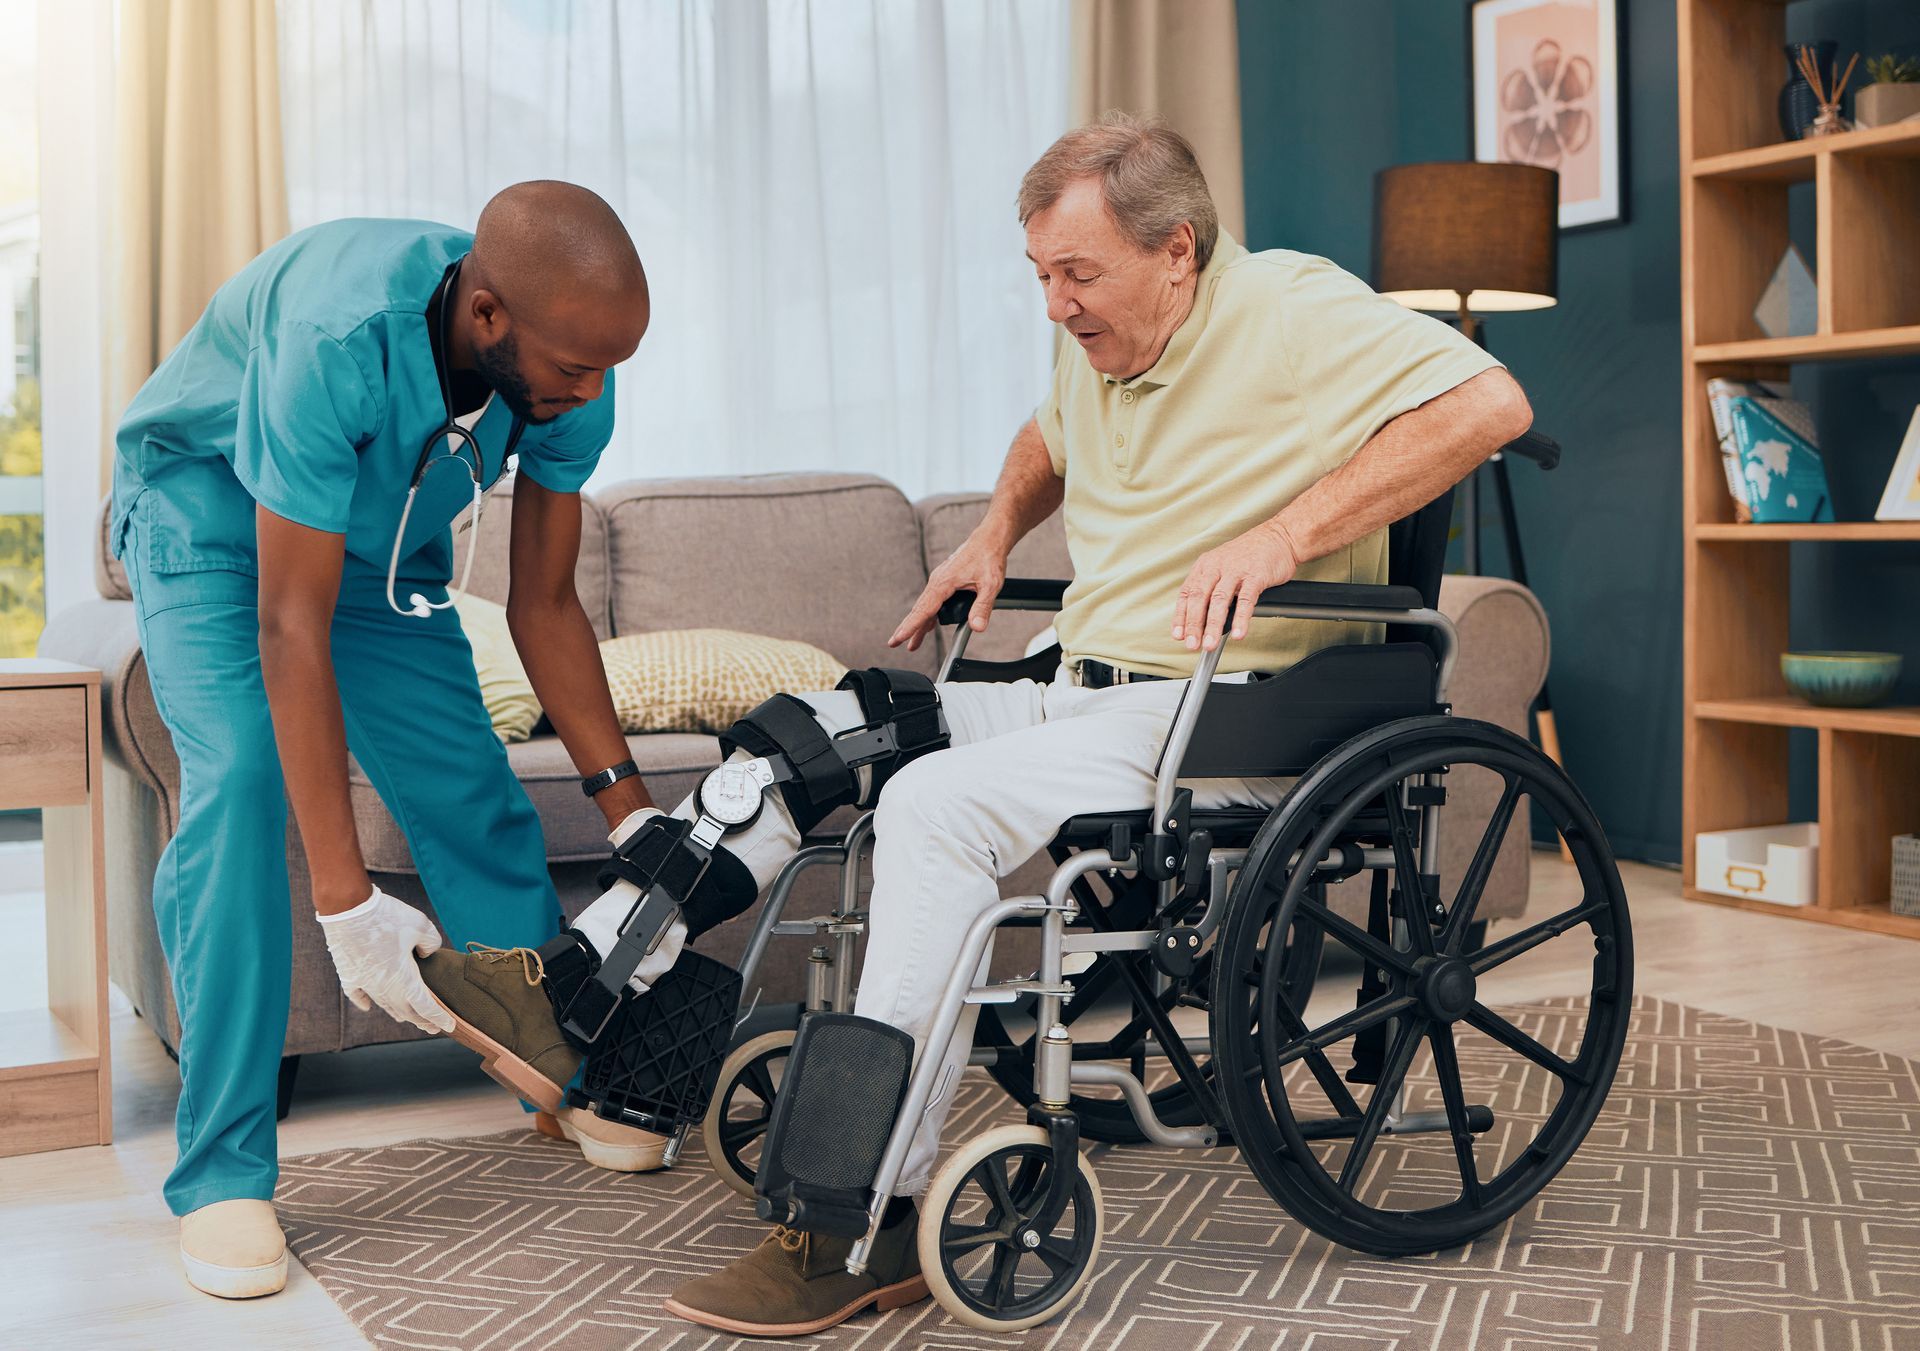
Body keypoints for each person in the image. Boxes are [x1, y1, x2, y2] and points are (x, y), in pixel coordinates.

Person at [421, 113, 1533, 1337]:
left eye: (1079, 274)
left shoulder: (1289, 307)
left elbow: (1487, 404)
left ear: (1177, 251)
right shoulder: (1099, 343)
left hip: (1233, 716)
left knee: (932, 807)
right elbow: (1048, 437)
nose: (1055, 304)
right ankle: (575, 990)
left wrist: (1278, 540)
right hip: (1091, 686)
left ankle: (860, 1217)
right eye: (1039, 275)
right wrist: (997, 527)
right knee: (814, 732)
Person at [110, 181, 669, 1300]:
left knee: (470, 789)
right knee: (241, 787)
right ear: (489, 317)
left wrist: (635, 817)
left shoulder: (573, 380)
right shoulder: (337, 331)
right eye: (574, 367)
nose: (591, 393)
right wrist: (346, 901)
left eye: (611, 369)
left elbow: (548, 604)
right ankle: (224, 1170)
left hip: (372, 553)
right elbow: (287, 623)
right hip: (211, 520)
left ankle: (555, 1070)